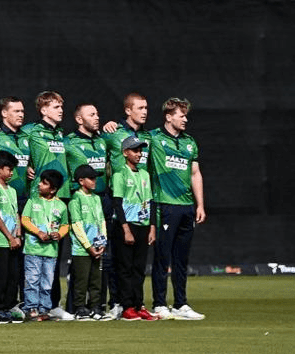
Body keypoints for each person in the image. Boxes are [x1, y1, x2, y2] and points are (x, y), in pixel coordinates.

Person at [149, 97, 206, 321]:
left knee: (181, 259)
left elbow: (195, 174)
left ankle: (181, 304)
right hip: (165, 205)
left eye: (185, 115)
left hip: (187, 207)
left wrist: (200, 204)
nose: (185, 119)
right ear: (168, 116)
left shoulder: (190, 142)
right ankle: (159, 304)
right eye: (181, 115)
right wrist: (111, 125)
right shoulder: (153, 138)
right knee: (163, 257)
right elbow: (126, 138)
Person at [23, 90, 72, 318]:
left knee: (55, 256)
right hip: (38, 199)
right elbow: (14, 138)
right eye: (55, 107)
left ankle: (51, 304)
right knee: (34, 261)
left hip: (60, 199)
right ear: (43, 110)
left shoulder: (61, 134)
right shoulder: (33, 132)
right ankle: (30, 305)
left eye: (61, 106)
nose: (60, 110)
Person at [110, 137, 158, 321]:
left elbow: (151, 202)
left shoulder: (145, 174)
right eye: (134, 150)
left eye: (140, 151)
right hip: (126, 226)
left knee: (139, 268)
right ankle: (127, 306)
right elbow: (117, 203)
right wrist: (126, 230)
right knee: (125, 268)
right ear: (125, 153)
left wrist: (152, 227)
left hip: (143, 226)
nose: (139, 154)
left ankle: (139, 305)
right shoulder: (119, 174)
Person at [20, 169, 68, 321]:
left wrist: (59, 234)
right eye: (41, 181)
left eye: (44, 183)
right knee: (32, 280)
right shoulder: (33, 201)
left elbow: (66, 225)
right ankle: (31, 308)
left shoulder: (61, 206)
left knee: (47, 282)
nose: (40, 185)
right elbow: (25, 219)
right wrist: (38, 232)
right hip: (33, 248)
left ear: (53, 189)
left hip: (51, 251)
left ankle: (44, 309)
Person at [0, 151, 24, 323]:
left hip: (14, 240)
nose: (11, 173)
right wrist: (9, 237)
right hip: (0, 240)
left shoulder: (13, 190)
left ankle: (9, 306)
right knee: (0, 275)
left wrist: (18, 234)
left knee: (13, 275)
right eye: (9, 169)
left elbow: (16, 214)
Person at [67, 165, 108, 321]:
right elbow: (77, 226)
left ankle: (95, 307)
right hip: (82, 250)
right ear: (81, 181)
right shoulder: (75, 200)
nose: (95, 181)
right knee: (81, 281)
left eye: (95, 178)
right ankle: (79, 308)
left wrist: (103, 242)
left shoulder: (97, 198)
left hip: (98, 247)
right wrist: (88, 246)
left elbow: (102, 221)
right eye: (91, 178)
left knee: (96, 280)